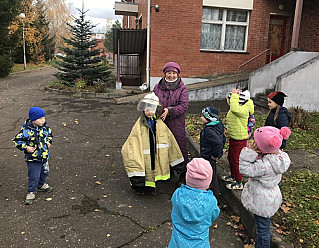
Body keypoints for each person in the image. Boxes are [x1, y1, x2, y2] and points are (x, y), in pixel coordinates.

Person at [121, 92, 184, 195]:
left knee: (155, 165)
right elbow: (133, 143)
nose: (149, 112)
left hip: (156, 152)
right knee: (148, 168)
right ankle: (145, 186)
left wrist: (179, 166)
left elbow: (171, 142)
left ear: (156, 110)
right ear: (143, 110)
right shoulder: (140, 124)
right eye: (147, 110)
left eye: (152, 110)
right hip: (147, 154)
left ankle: (155, 183)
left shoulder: (159, 123)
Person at [239, 126, 291, 248]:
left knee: (262, 231)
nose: (253, 143)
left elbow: (245, 169)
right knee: (263, 227)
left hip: (262, 200)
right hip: (270, 196)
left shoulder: (264, 166)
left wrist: (249, 152)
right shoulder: (279, 157)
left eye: (256, 143)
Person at [168, 158, 220, 248]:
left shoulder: (178, 194)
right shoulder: (211, 201)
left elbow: (174, 203)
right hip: (200, 244)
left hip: (177, 244)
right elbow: (214, 214)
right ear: (208, 181)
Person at [153, 62, 189, 185]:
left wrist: (170, 110)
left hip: (176, 123)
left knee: (179, 147)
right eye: (169, 72)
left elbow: (184, 106)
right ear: (165, 73)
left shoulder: (182, 88)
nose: (171, 75)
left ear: (177, 74)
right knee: (163, 147)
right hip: (160, 122)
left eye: (174, 73)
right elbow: (153, 101)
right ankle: (167, 171)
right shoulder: (158, 87)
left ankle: (183, 174)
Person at [13, 107, 53, 205]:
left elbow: (50, 135)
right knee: (34, 175)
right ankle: (31, 192)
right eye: (40, 118)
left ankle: (41, 184)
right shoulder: (26, 130)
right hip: (33, 158)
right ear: (33, 120)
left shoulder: (45, 128)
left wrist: (48, 141)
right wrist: (26, 147)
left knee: (45, 172)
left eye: (44, 118)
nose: (43, 120)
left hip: (44, 156)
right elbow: (17, 140)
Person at [222, 88, 254, 190]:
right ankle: (233, 176)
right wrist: (234, 94)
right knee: (230, 158)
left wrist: (235, 95)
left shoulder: (245, 108)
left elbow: (235, 109)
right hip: (234, 137)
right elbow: (231, 103)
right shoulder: (238, 104)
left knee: (236, 160)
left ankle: (239, 182)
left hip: (240, 139)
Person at [200, 106, 226, 198]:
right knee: (212, 174)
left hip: (208, 156)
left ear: (209, 118)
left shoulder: (209, 131)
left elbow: (218, 143)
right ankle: (213, 193)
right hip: (209, 155)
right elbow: (223, 139)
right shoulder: (217, 126)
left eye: (203, 116)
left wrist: (215, 155)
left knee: (210, 176)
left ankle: (211, 194)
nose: (200, 117)